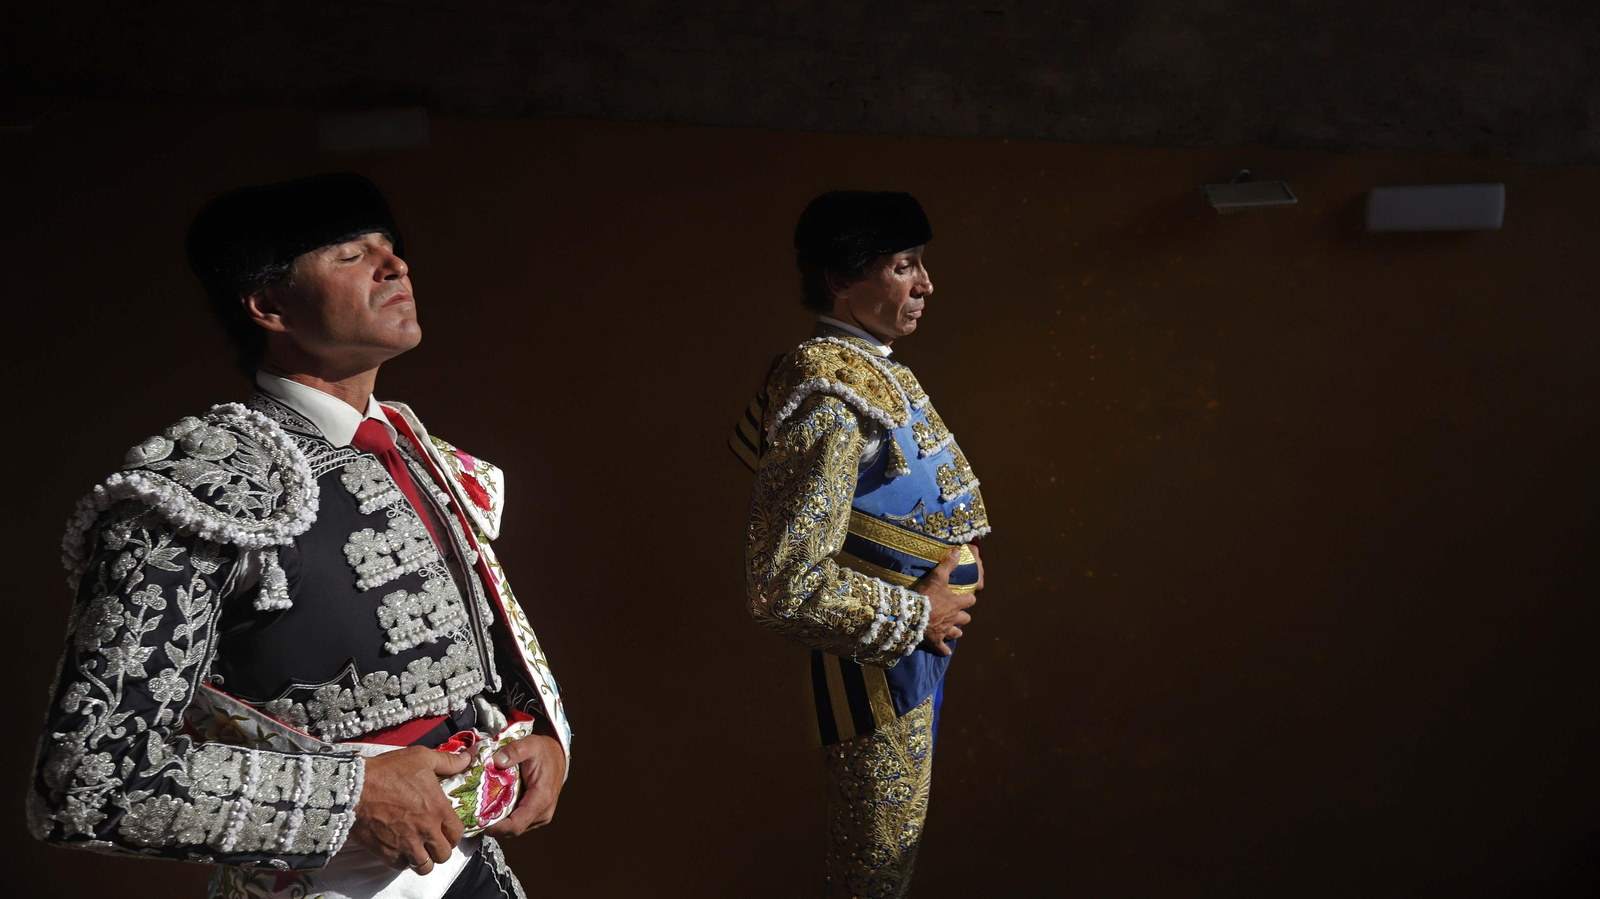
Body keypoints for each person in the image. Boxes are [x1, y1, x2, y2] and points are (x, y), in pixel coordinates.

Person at [29, 173, 572, 899]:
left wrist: (539, 738)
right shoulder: (200, 487)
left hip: (476, 873)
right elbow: (89, 776)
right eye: (350, 254)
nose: (395, 265)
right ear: (268, 305)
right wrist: (346, 797)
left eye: (391, 248)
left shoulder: (418, 453)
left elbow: (473, 667)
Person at [734, 190, 991, 897]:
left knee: (888, 863)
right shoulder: (830, 391)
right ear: (841, 279)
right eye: (904, 265)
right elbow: (784, 583)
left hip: (914, 661)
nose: (925, 283)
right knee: (873, 873)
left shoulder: (870, 368)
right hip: (881, 667)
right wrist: (920, 615)